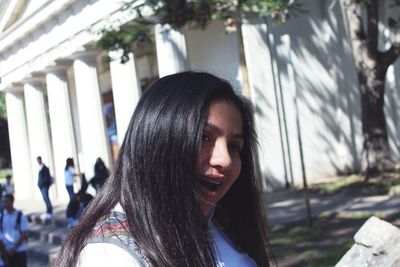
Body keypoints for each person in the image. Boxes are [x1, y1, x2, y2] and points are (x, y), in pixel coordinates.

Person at [55, 72, 274, 266]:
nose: (225, 160)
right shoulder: (109, 256)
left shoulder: (221, 224)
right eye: (203, 136)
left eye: (234, 146)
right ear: (158, 141)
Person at [0, 194, 29, 267]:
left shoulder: (20, 215)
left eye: (6, 201)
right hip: (6, 252)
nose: (4, 204)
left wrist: (13, 247)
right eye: (3, 202)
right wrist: (4, 251)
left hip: (19, 250)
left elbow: (24, 233)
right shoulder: (2, 216)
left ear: (12, 201)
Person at [37, 156, 53, 220]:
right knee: (45, 198)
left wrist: (42, 183)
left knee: (46, 198)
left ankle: (49, 211)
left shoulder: (45, 168)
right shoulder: (40, 167)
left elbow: (47, 177)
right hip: (41, 186)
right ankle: (48, 211)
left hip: (44, 186)